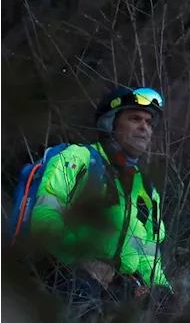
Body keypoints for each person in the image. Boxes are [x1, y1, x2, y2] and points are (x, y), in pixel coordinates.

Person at [19, 87, 171, 315]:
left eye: (149, 123)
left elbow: (149, 254)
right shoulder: (77, 159)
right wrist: (84, 261)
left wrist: (159, 289)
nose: (144, 128)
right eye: (135, 119)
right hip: (61, 268)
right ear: (110, 124)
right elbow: (45, 222)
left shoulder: (146, 191)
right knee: (85, 303)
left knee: (166, 308)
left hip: (117, 283)